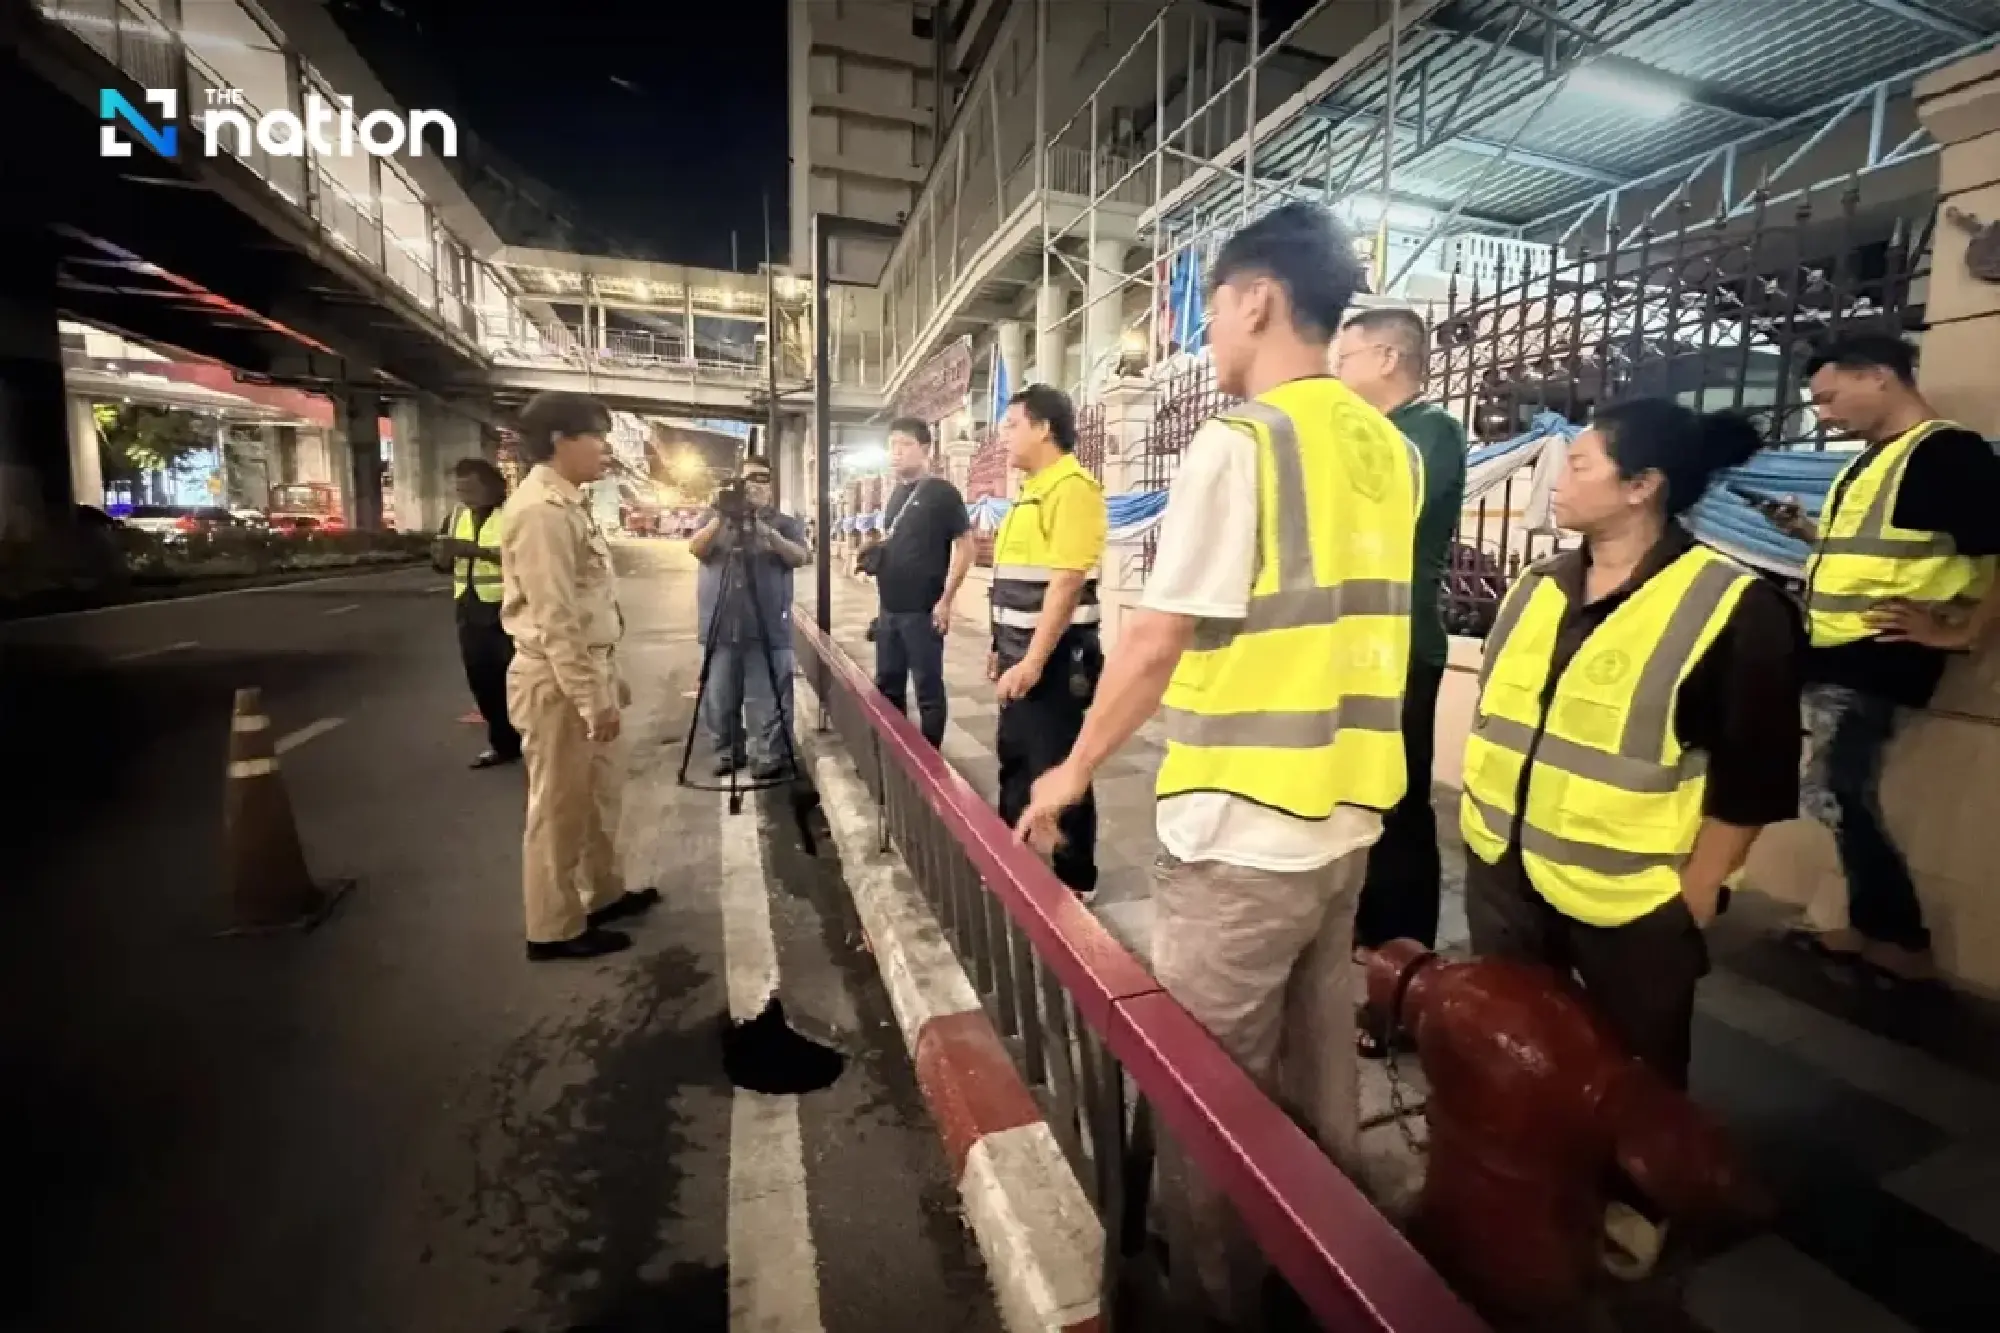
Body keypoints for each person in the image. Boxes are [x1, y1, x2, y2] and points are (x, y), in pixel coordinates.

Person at [1014, 201, 1417, 1323]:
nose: (1204, 335)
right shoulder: (1385, 445)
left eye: (1207, 309)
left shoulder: (1243, 444)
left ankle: (1216, 1308)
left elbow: (1154, 636)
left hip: (1243, 829)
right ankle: (1322, 1283)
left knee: (1209, 1106)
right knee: (1316, 1083)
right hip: (1341, 820)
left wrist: (1070, 770)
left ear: (1254, 300)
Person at [1461, 401, 1801, 1272]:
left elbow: (1752, 778)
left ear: (1643, 487)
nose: (1557, 477)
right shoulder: (1538, 585)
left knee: (1639, 1066)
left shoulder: (1732, 606)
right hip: (1505, 862)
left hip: (1633, 890)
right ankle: (1527, 1176)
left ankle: (1638, 1202)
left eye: (1579, 464)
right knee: (1514, 1040)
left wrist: (1697, 892)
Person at [1763, 335, 2000, 985]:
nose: (1825, 415)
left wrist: (1962, 634)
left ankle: (1900, 940)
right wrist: (1806, 534)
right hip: (1839, 648)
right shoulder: (1874, 462)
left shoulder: (1946, 453)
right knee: (1837, 790)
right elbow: (1881, 549)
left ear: (1880, 378)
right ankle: (1864, 927)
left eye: (1831, 397)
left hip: (1878, 655)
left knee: (1835, 790)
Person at [1331, 306, 1469, 1057]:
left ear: (1388, 357)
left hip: (1402, 646)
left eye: (1347, 356)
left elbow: (1382, 508)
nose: (1338, 370)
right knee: (1363, 793)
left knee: (1403, 804)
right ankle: (1368, 927)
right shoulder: (1378, 433)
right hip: (1357, 646)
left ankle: (1405, 963)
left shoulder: (1430, 432)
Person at [501, 392, 661, 961]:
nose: (605, 449)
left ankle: (603, 893)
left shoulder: (569, 503)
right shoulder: (541, 511)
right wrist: (591, 699)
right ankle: (553, 926)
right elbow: (555, 621)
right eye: (596, 436)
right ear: (561, 440)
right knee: (559, 805)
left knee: (595, 797)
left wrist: (605, 681)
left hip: (585, 669)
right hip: (556, 680)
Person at [990, 384, 1108, 899]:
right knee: (1016, 758)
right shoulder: (1033, 490)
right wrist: (1002, 648)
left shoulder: (1072, 488)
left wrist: (1035, 660)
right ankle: (1008, 855)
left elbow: (1065, 582)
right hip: (1020, 655)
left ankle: (1075, 876)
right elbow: (1017, 582)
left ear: (1042, 427)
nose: (1003, 437)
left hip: (1057, 661)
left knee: (1059, 766)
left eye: (1011, 425)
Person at [689, 455, 811, 781]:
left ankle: (768, 755)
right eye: (748, 480)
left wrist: (762, 528)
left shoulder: (784, 522)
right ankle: (727, 751)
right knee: (719, 696)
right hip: (720, 624)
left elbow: (800, 556)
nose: (754, 485)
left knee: (767, 697)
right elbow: (696, 548)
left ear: (770, 485)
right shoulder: (715, 516)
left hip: (767, 625)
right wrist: (721, 515)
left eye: (761, 479)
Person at [869, 417, 974, 746]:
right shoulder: (896, 495)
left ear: (925, 449)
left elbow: (966, 547)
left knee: (927, 688)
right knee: (888, 685)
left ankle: (930, 766)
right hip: (889, 611)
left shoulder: (942, 493)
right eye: (891, 446)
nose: (895, 453)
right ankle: (894, 753)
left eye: (904, 445)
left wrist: (945, 601)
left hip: (922, 612)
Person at [435, 458, 522, 769]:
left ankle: (533, 740)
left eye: (470, 487)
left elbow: (525, 560)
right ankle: (504, 745)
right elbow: (444, 563)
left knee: (517, 681)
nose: (464, 494)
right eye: (459, 488)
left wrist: (476, 551)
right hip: (470, 609)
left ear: (492, 487)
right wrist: (442, 557)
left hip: (508, 609)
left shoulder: (513, 516)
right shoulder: (456, 516)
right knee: (482, 681)